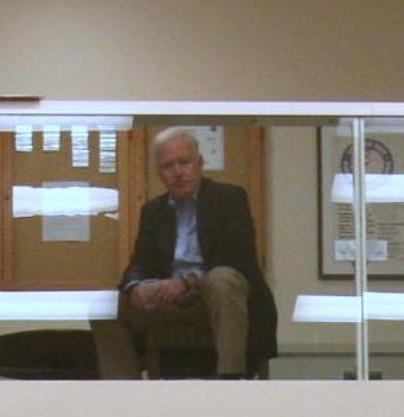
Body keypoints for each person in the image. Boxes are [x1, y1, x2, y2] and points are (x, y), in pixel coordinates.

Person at [92, 128, 277, 380]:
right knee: (102, 304)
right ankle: (126, 389)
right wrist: (135, 286)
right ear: (159, 173)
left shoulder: (229, 198)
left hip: (210, 291)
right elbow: (138, 264)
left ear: (199, 163)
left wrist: (187, 281)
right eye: (168, 166)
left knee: (222, 278)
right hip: (168, 297)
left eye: (184, 162)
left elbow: (238, 259)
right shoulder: (153, 211)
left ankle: (230, 380)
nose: (178, 172)